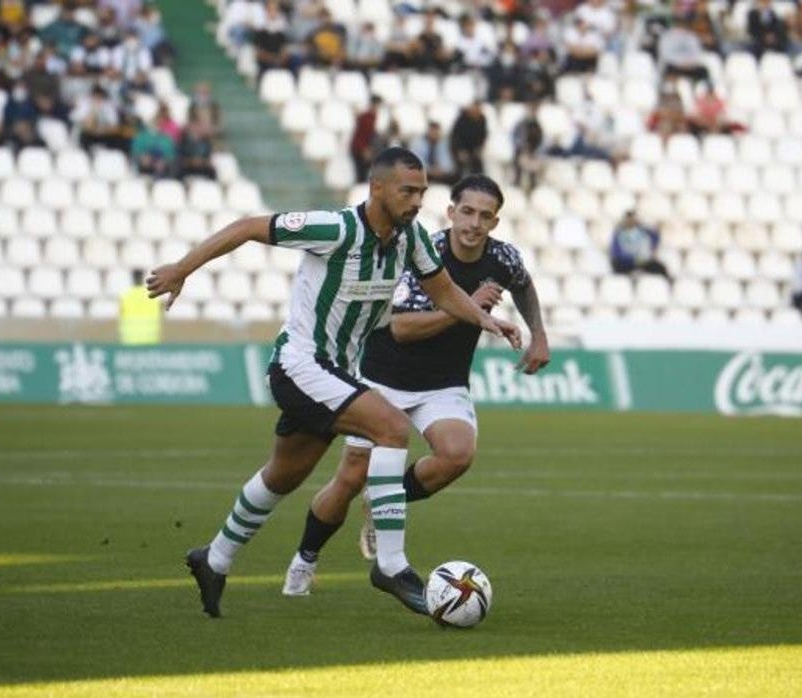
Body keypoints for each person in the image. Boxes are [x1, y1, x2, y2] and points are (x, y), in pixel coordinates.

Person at [145, 148, 521, 618]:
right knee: (390, 428)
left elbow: (444, 292)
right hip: (299, 365)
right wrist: (182, 269)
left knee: (283, 475)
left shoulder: (412, 239)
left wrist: (486, 321)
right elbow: (246, 227)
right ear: (377, 188)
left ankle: (213, 558)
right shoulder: (336, 229)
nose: (416, 200)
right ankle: (391, 564)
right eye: (407, 191)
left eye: (422, 191)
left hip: (339, 373)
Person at [279, 174, 550, 596]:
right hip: (382, 378)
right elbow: (402, 328)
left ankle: (384, 502)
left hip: (443, 383)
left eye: (485, 216)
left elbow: (524, 284)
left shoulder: (503, 257)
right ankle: (305, 559)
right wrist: (469, 307)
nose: (474, 223)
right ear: (451, 211)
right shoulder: (425, 253)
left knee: (457, 454)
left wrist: (539, 334)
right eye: (467, 211)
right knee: (350, 478)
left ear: (495, 223)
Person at [609, 210, 671, 280]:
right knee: (618, 266)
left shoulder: (642, 231)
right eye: (629, 220)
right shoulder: (619, 233)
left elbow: (655, 237)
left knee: (660, 268)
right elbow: (617, 254)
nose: (631, 222)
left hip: (641, 261)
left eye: (633, 220)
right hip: (625, 263)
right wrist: (634, 260)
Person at [119, 269, 162, 345]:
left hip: (129, 339)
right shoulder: (153, 296)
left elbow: (120, 315)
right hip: (151, 338)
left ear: (132, 279)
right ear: (143, 278)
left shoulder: (125, 297)